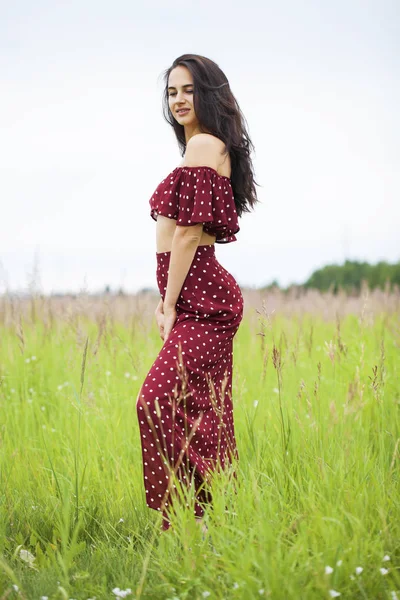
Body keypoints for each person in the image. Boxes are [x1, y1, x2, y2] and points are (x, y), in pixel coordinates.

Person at [136, 54, 259, 531]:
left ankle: (196, 512)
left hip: (202, 299)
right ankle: (207, 520)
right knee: (196, 407)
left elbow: (187, 234)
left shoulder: (205, 145)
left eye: (188, 90)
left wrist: (166, 305)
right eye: (172, 92)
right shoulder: (203, 146)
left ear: (207, 94)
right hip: (195, 296)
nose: (179, 100)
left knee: (155, 400)